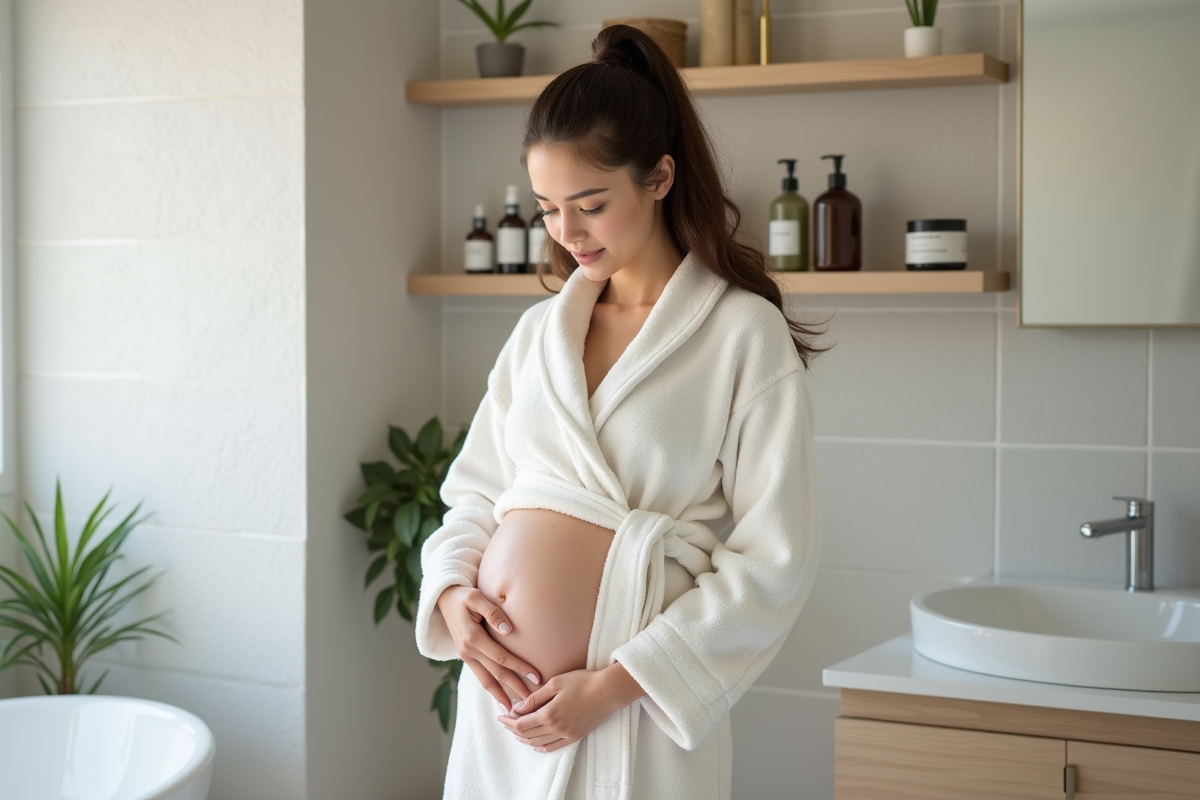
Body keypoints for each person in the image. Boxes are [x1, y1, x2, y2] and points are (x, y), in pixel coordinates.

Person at [415, 24, 822, 800]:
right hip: (503, 719)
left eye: (590, 205)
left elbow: (777, 557)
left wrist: (615, 687)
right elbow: (476, 493)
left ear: (660, 176)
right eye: (547, 209)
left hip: (635, 717)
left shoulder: (741, 334)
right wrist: (454, 595)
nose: (566, 234)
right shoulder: (540, 333)